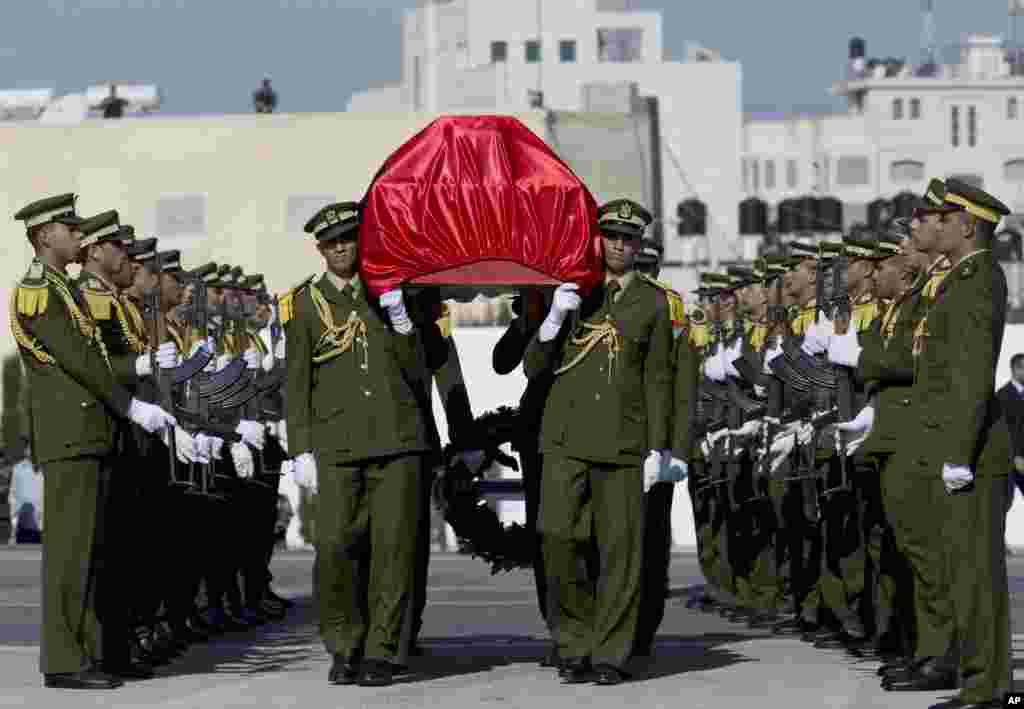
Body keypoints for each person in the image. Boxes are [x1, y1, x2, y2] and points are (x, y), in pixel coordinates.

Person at [10, 193, 178, 690]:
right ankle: (64, 660)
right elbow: (81, 363)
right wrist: (131, 405)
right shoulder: (37, 290)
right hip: (70, 436)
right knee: (71, 554)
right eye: (70, 228)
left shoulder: (68, 289)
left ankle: (94, 652)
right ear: (45, 236)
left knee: (97, 551)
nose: (78, 236)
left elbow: (100, 360)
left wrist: (138, 378)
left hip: (92, 432)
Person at [524, 198, 674, 685]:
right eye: (612, 235)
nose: (619, 245)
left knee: (620, 552)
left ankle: (609, 654)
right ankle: (574, 640)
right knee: (557, 537)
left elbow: (658, 381)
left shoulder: (653, 302)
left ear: (639, 246)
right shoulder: (572, 292)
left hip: (623, 441)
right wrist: (552, 320)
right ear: (597, 238)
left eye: (629, 239)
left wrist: (660, 448)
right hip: (565, 438)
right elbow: (531, 368)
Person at [284, 201, 434, 687]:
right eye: (332, 242)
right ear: (320, 249)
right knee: (334, 548)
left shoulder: (392, 293)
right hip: (337, 444)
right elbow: (297, 381)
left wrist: (402, 320)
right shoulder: (304, 303)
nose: (342, 247)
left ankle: (382, 651)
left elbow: (419, 371)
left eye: (349, 237)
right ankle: (344, 644)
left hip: (397, 439)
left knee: (393, 552)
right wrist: (300, 449)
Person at [996, 353, 1024, 502]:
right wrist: (1015, 457)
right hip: (1007, 462)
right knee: (1004, 502)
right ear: (1015, 370)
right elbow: (1001, 431)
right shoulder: (1002, 396)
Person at [10, 440, 42, 544]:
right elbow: (13, 498)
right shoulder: (18, 469)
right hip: (24, 525)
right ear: (25, 450)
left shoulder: (46, 468)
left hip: (43, 524)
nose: (32, 451)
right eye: (29, 448)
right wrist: (13, 529)